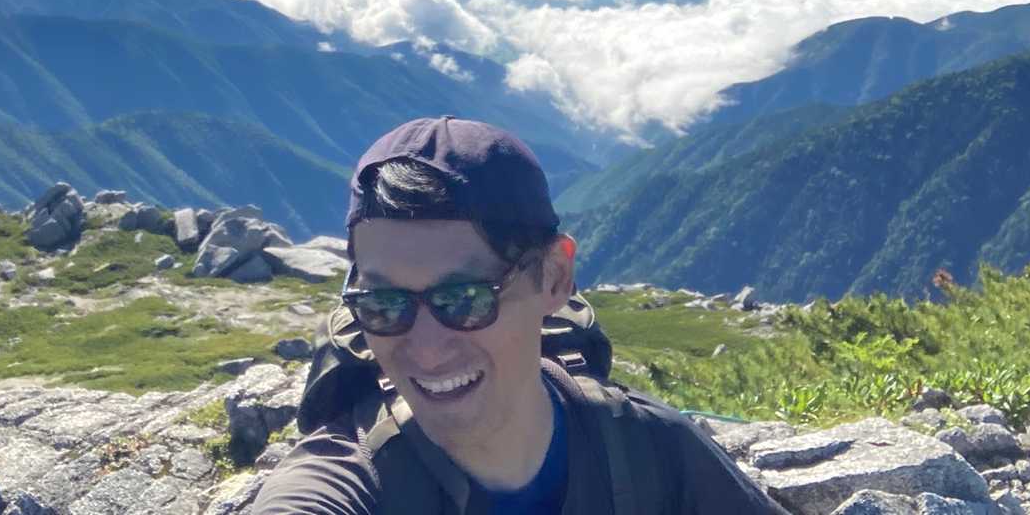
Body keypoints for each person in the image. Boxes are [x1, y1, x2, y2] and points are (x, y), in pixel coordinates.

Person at [252, 115, 786, 514]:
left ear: (554, 277)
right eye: (384, 304)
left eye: (465, 299)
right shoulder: (345, 481)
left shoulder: (656, 453)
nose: (427, 349)